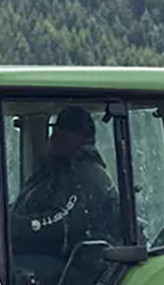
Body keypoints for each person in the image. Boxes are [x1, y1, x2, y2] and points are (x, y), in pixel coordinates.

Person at [13, 104, 120, 255]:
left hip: (77, 263)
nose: (52, 140)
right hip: (52, 254)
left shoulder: (85, 177)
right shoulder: (52, 172)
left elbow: (61, 221)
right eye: (53, 133)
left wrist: (13, 226)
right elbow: (27, 206)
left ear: (80, 139)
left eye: (59, 135)